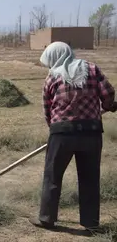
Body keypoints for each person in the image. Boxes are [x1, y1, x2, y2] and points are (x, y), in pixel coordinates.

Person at [30, 41, 116, 231]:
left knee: (53, 176)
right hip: (91, 132)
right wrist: (110, 105)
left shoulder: (52, 77)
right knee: (89, 177)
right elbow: (108, 93)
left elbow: (47, 108)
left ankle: (46, 218)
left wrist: (54, 130)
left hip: (62, 133)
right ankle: (90, 223)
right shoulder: (92, 69)